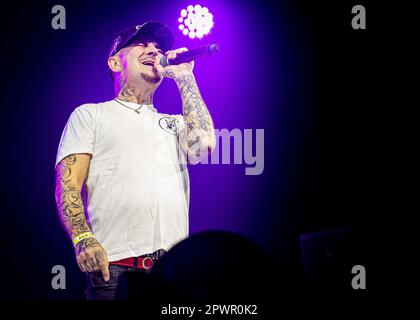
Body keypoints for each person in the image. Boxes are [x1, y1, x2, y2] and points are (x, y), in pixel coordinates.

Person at [54, 21, 216, 300]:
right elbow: (68, 184)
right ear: (116, 63)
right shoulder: (90, 115)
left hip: (171, 272)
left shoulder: (174, 124)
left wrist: (185, 78)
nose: (154, 50)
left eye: (158, 46)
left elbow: (203, 147)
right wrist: (82, 238)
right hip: (116, 271)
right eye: (142, 44)